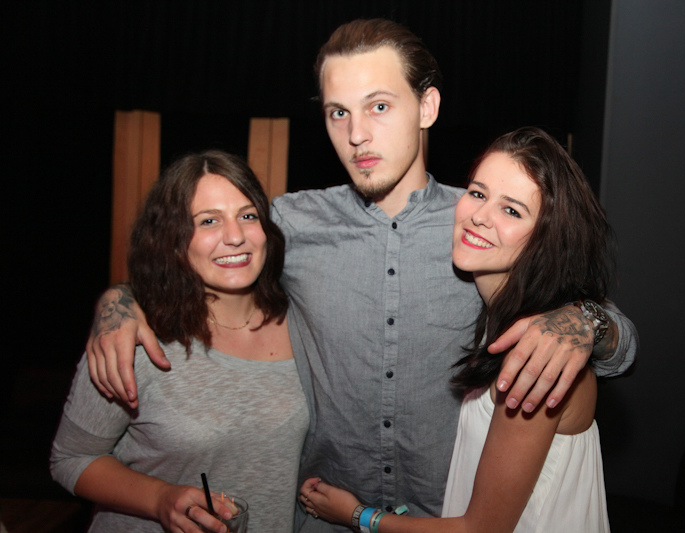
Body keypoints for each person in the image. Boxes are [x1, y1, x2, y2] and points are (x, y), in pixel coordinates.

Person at [83, 19, 637, 532]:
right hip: (321, 516)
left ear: (426, 106)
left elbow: (615, 336)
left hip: (444, 517)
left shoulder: (478, 226)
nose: (356, 135)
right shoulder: (293, 223)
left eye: (379, 106)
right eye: (338, 113)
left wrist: (583, 321)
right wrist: (118, 302)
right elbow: (202, 258)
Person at [300, 126, 612, 532]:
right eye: (478, 194)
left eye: (512, 211)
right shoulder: (500, 321)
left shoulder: (537, 356)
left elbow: (479, 529)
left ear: (547, 239)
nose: (479, 216)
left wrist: (356, 515)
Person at [50, 151, 309, 532]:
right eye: (208, 221)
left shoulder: (304, 329)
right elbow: (70, 459)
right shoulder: (136, 339)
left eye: (248, 215)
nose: (235, 236)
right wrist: (160, 499)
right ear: (173, 240)